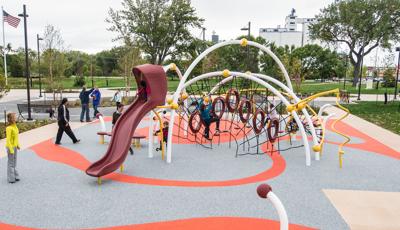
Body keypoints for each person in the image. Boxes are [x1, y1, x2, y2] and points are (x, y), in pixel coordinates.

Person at [5, 112, 20, 183]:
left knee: (14, 162)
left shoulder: (15, 126)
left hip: (14, 146)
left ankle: (15, 175)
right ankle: (11, 178)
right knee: (11, 163)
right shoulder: (9, 128)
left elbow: (16, 137)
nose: (16, 118)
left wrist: (18, 145)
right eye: (14, 117)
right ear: (11, 119)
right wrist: (11, 149)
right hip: (10, 147)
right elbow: (8, 140)